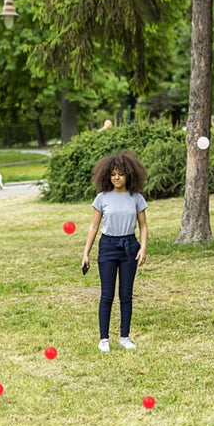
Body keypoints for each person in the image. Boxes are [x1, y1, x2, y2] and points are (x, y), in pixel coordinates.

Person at [82, 151, 148, 352]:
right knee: (107, 295)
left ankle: (125, 337)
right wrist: (86, 253)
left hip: (129, 246)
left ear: (129, 174)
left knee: (126, 295)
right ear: (107, 176)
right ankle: (104, 339)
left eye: (120, 173)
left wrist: (143, 248)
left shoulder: (136, 197)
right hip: (108, 247)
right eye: (113, 174)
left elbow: (143, 226)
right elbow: (93, 227)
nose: (117, 177)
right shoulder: (102, 198)